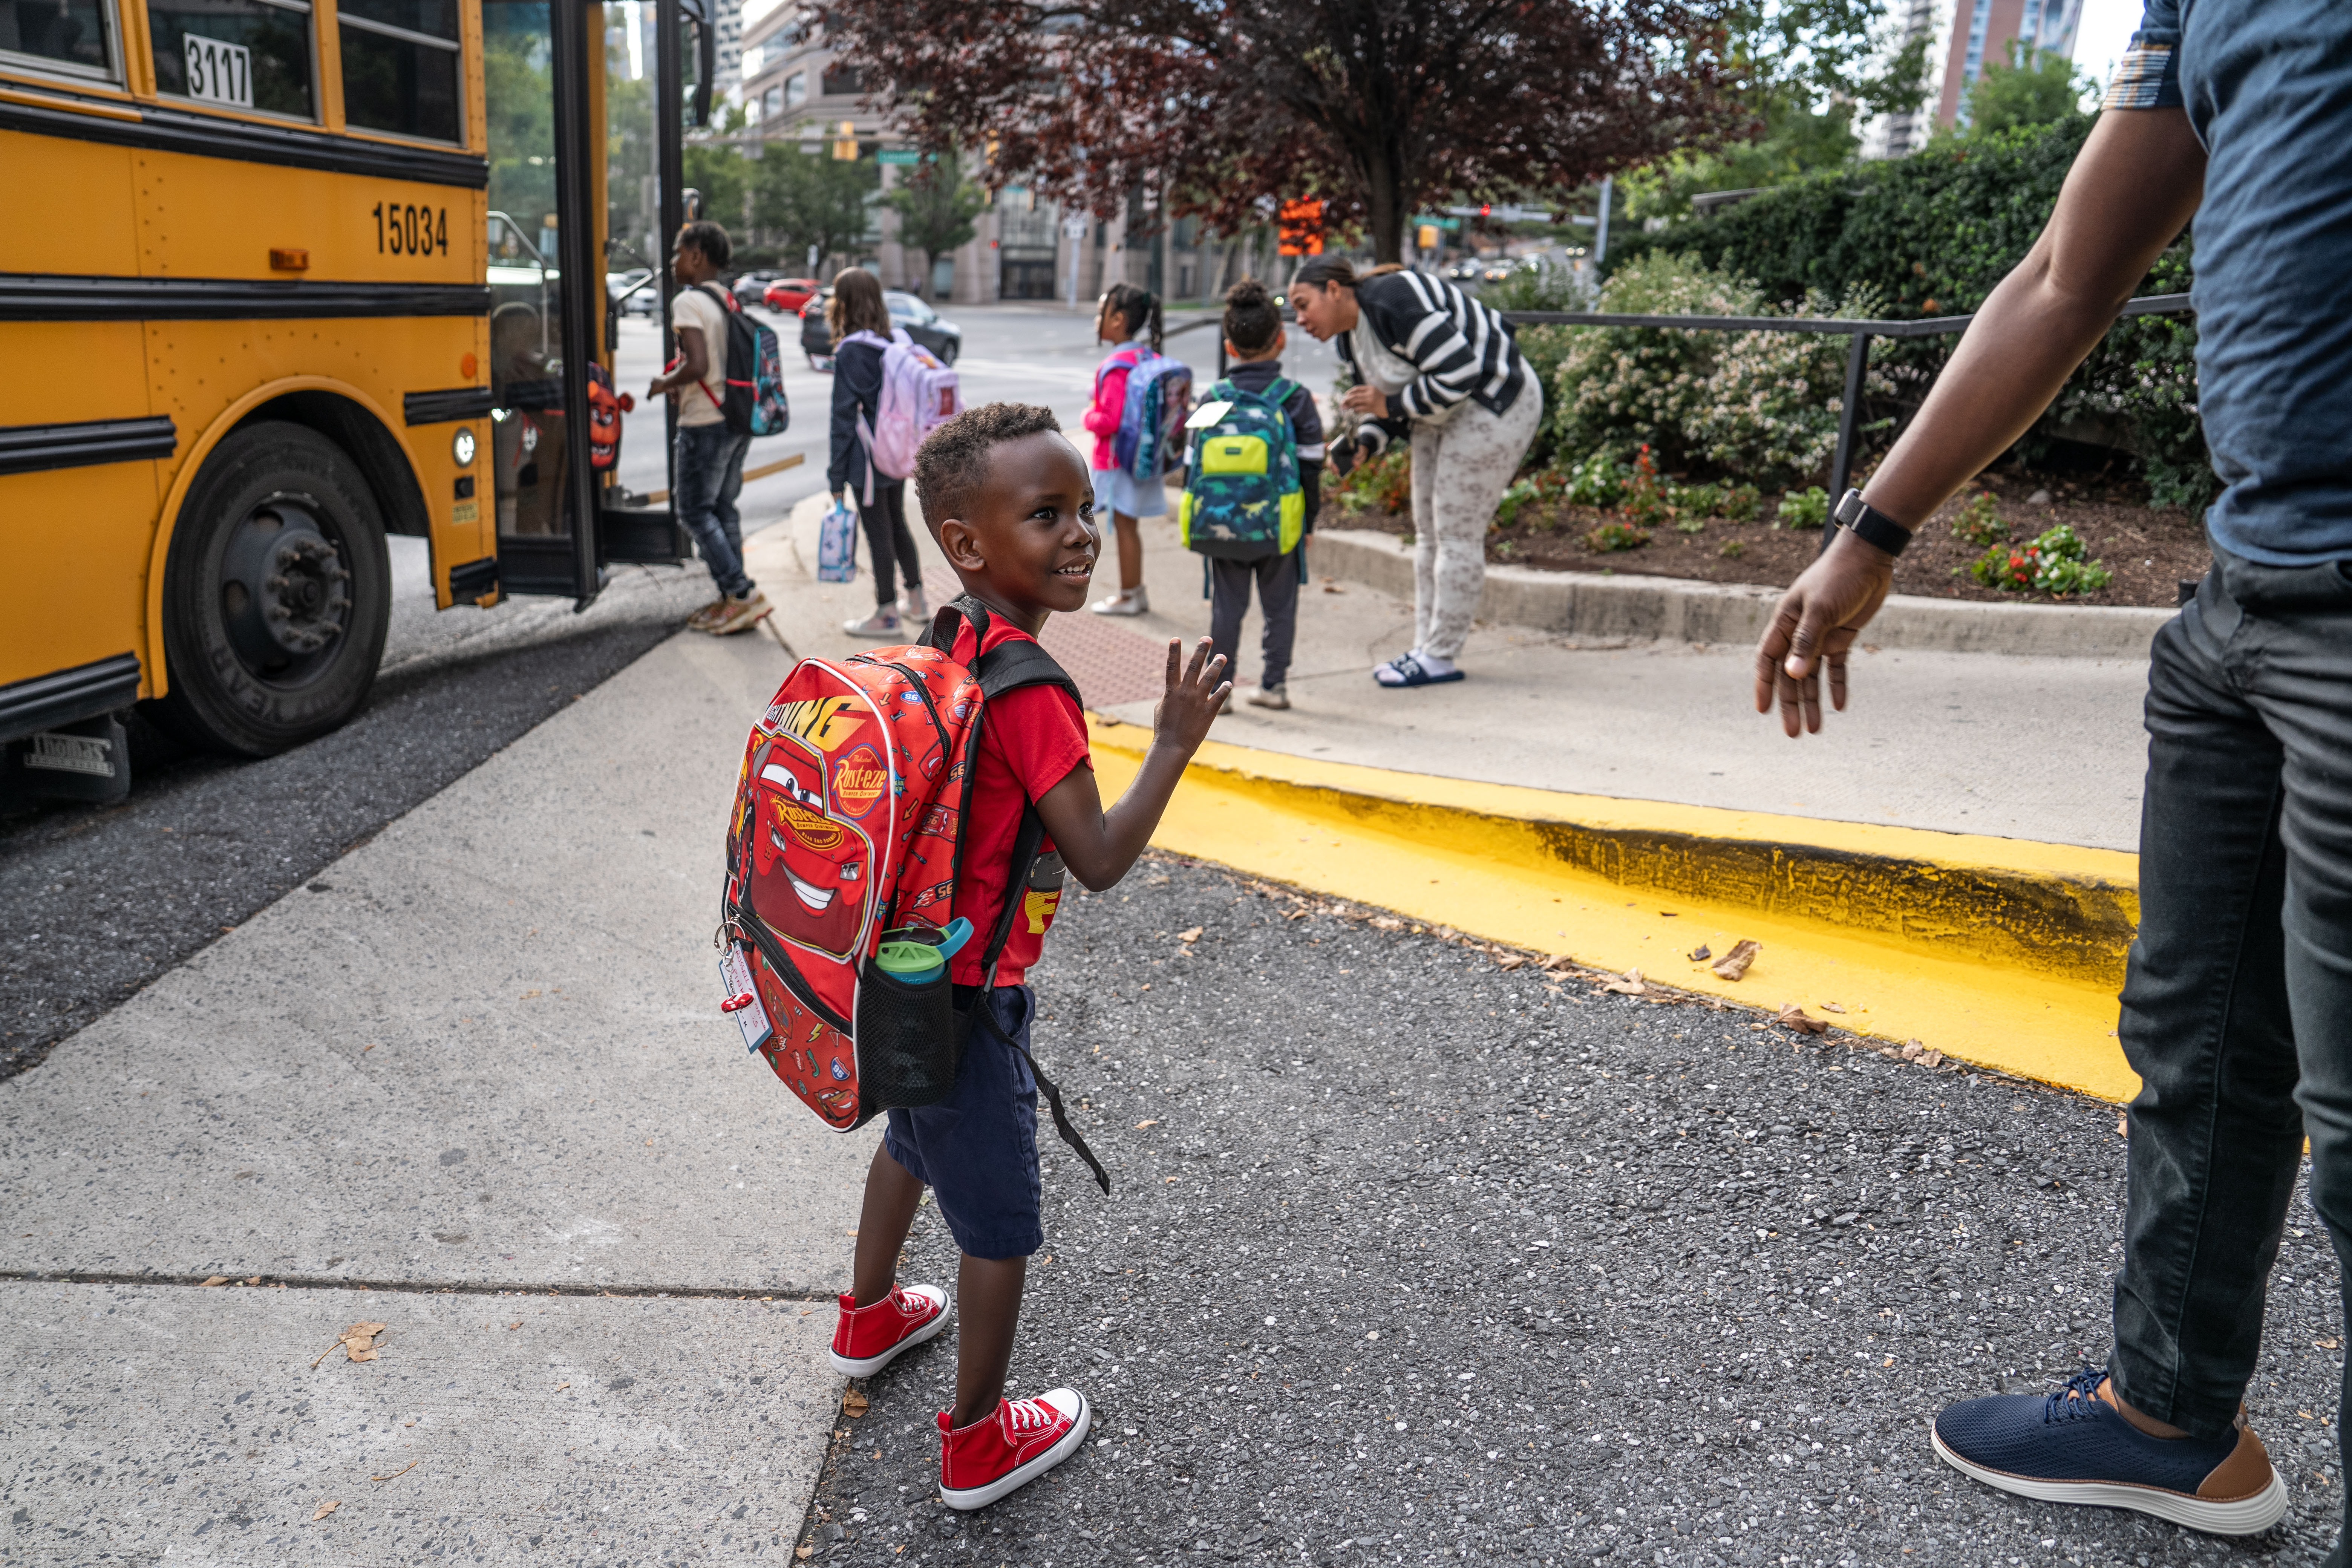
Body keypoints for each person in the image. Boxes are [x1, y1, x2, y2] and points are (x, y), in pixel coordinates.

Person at [1755, 4, 2352, 1546]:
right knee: (2203, 1046)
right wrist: (1869, 530)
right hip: (2246, 605)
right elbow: (2066, 272)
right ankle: (2171, 1416)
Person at [829, 401, 1231, 1510]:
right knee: (998, 1220)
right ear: (967, 542)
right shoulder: (1036, 691)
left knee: (910, 1140)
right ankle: (976, 1442)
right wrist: (1174, 747)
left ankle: (867, 1319)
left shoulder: (950, 634)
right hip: (976, 998)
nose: (1080, 534)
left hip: (904, 970)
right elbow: (1096, 856)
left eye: (1085, 510)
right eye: (1045, 514)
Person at [1288, 259, 1539, 688]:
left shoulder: (1393, 298)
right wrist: (1366, 442)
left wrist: (1389, 408)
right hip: (1439, 413)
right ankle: (1427, 648)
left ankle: (1441, 655)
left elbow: (1460, 370)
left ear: (1334, 290)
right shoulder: (1351, 339)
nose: (1299, 318)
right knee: (1427, 533)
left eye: (1302, 303)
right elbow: (1383, 402)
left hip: (1494, 400)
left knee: (1456, 532)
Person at [1196, 277, 1326, 711]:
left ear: (1230, 346)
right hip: (1279, 521)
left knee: (1226, 609)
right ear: (1282, 340)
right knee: (1280, 608)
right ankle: (1273, 686)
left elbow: (1191, 465)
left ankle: (1220, 691)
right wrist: (1308, 522)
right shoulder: (1295, 398)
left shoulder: (1213, 398)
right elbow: (1311, 467)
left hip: (1222, 520)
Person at [646, 219, 770, 635]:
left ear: (697, 255)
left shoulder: (688, 302)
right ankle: (734, 599)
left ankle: (740, 591)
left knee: (695, 511)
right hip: (735, 418)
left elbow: (698, 364)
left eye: (680, 252)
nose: (674, 261)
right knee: (722, 508)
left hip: (705, 423)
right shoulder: (726, 298)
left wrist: (664, 383)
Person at [825, 267, 930, 637]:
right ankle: (916, 598)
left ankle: (887, 611)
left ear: (845, 303)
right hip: (895, 451)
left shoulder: (852, 350)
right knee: (896, 521)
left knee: (878, 532)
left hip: (866, 458)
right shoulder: (893, 342)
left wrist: (835, 476)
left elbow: (842, 418)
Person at [1082, 283, 1165, 617]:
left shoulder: (1117, 364)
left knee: (1125, 526)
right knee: (1129, 525)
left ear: (1118, 319)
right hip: (1142, 457)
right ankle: (1134, 591)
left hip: (1119, 461)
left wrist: (1088, 415)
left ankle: (1131, 594)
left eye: (1101, 312)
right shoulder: (1147, 357)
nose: (1096, 319)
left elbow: (1109, 420)